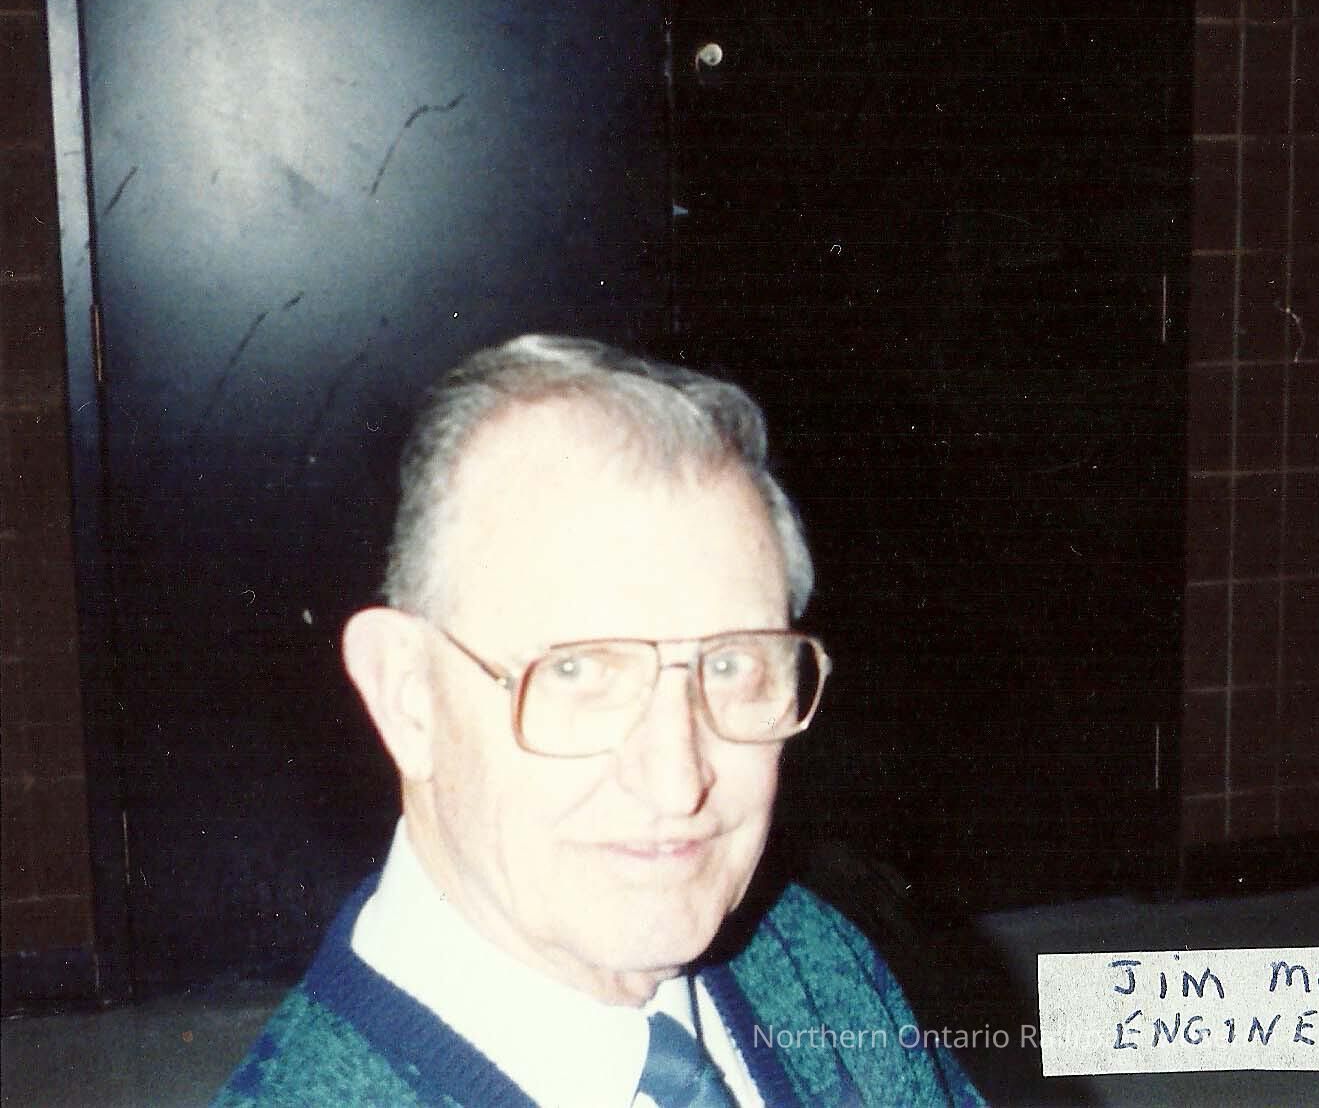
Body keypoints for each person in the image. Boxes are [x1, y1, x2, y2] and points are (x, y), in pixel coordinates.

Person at [217, 335, 984, 1106]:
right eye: (578, 671)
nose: (678, 782)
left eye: (729, 664)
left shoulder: (814, 957)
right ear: (408, 695)